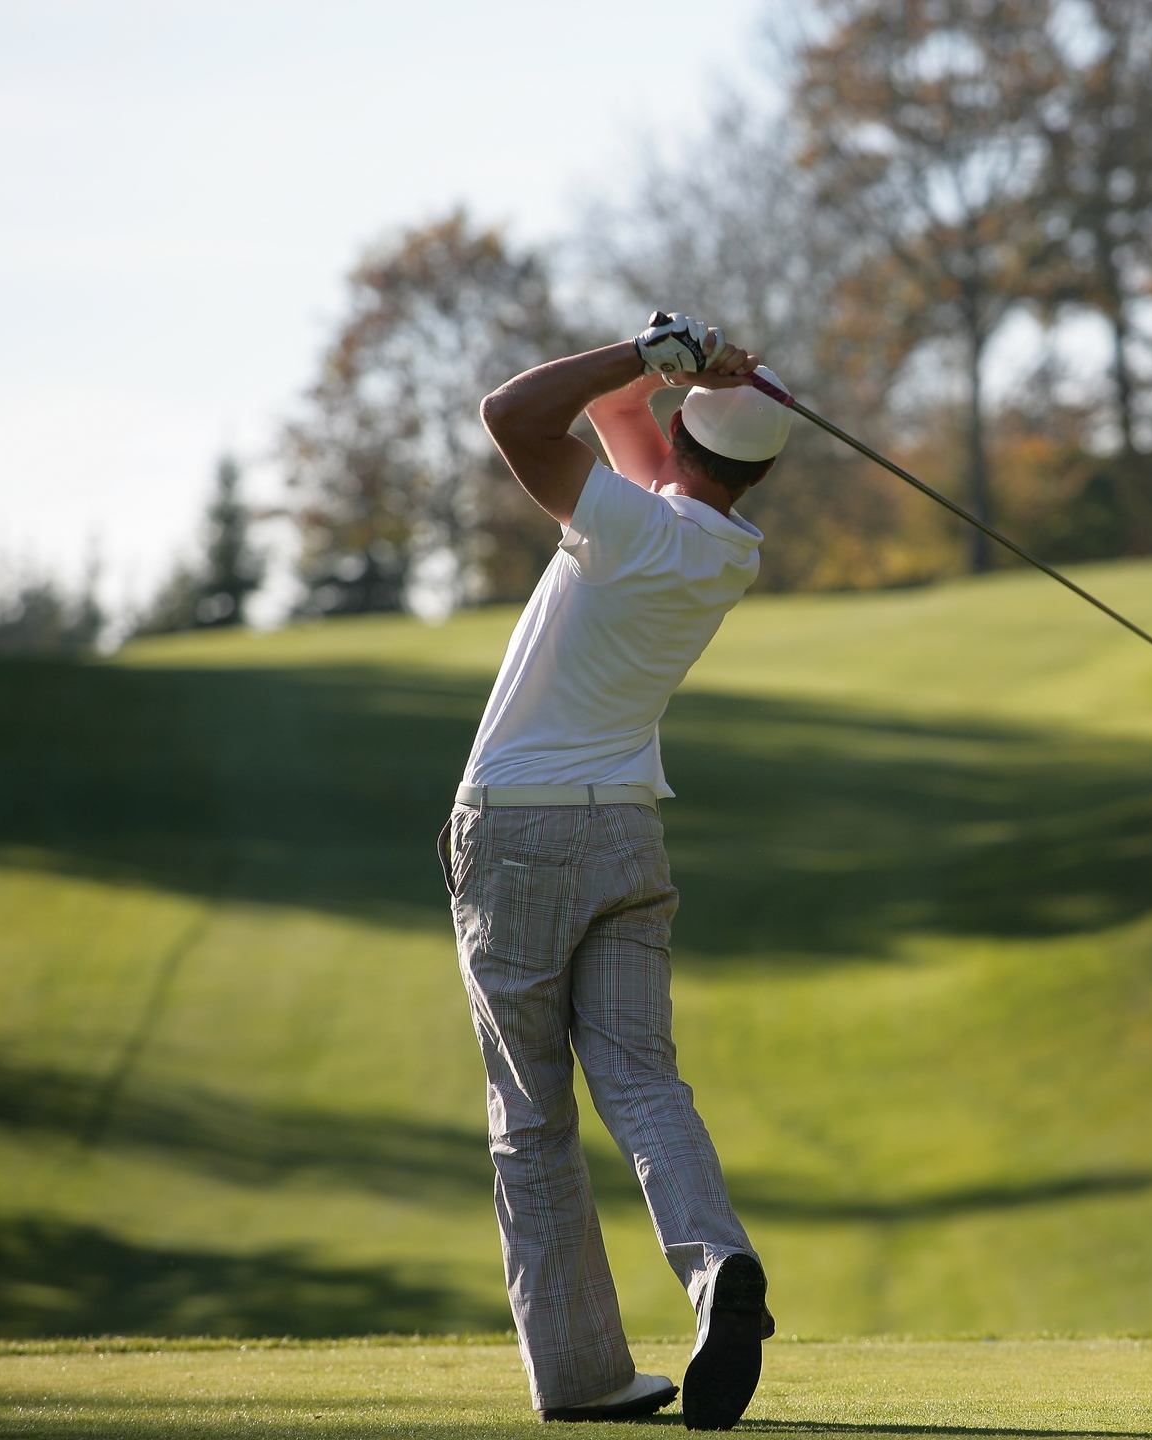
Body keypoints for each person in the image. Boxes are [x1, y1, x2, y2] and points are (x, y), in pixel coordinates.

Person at [437, 313, 785, 1427]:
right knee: (641, 1081)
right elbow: (618, 414)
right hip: (627, 836)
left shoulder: (631, 527)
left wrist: (661, 351)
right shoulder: (724, 546)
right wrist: (668, 363)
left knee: (532, 1116)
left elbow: (512, 413)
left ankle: (587, 1377)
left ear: (689, 435)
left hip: (521, 837)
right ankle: (717, 1266)